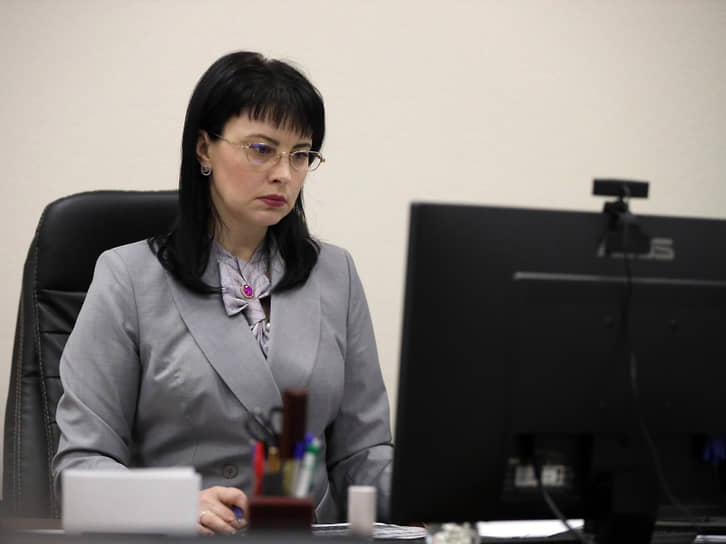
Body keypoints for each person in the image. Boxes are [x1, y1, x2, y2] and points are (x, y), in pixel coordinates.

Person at [52, 51, 393, 535]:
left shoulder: (335, 273)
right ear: (204, 149)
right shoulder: (127, 276)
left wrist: (443, 491)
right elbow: (79, 471)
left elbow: (363, 454)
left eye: (301, 154)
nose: (284, 174)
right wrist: (174, 505)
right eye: (262, 149)